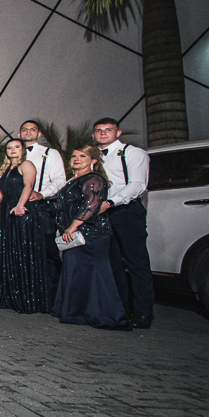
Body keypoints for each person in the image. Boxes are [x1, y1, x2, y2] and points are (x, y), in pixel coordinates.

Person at [54, 145, 132, 330]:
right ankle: (77, 313)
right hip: (74, 233)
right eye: (74, 156)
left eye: (83, 156)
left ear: (93, 160)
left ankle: (106, 315)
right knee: (77, 273)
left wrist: (72, 226)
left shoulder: (94, 179)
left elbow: (92, 205)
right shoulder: (73, 180)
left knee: (98, 274)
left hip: (92, 233)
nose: (77, 159)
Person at [93, 118, 154, 328]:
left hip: (125, 211)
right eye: (99, 131)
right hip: (100, 213)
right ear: (93, 135)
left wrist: (110, 202)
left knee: (136, 262)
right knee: (112, 264)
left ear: (118, 133)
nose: (103, 133)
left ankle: (143, 311)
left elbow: (137, 184)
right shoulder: (93, 157)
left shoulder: (133, 153)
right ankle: (121, 308)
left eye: (108, 130)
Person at [0, 139, 50, 314]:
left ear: (22, 149)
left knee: (25, 251)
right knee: (9, 252)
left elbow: (29, 185)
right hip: (6, 213)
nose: (12, 150)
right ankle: (11, 296)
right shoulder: (5, 169)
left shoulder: (27, 164)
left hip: (22, 211)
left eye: (16, 147)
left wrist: (20, 205)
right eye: (9, 148)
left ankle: (28, 298)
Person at [20, 120, 67, 309]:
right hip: (19, 208)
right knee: (23, 252)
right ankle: (27, 295)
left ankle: (53, 297)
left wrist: (41, 194)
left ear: (38, 134)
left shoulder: (50, 153)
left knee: (48, 252)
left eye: (32, 129)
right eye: (24, 129)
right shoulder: (14, 153)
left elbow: (60, 180)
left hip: (42, 206)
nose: (28, 132)